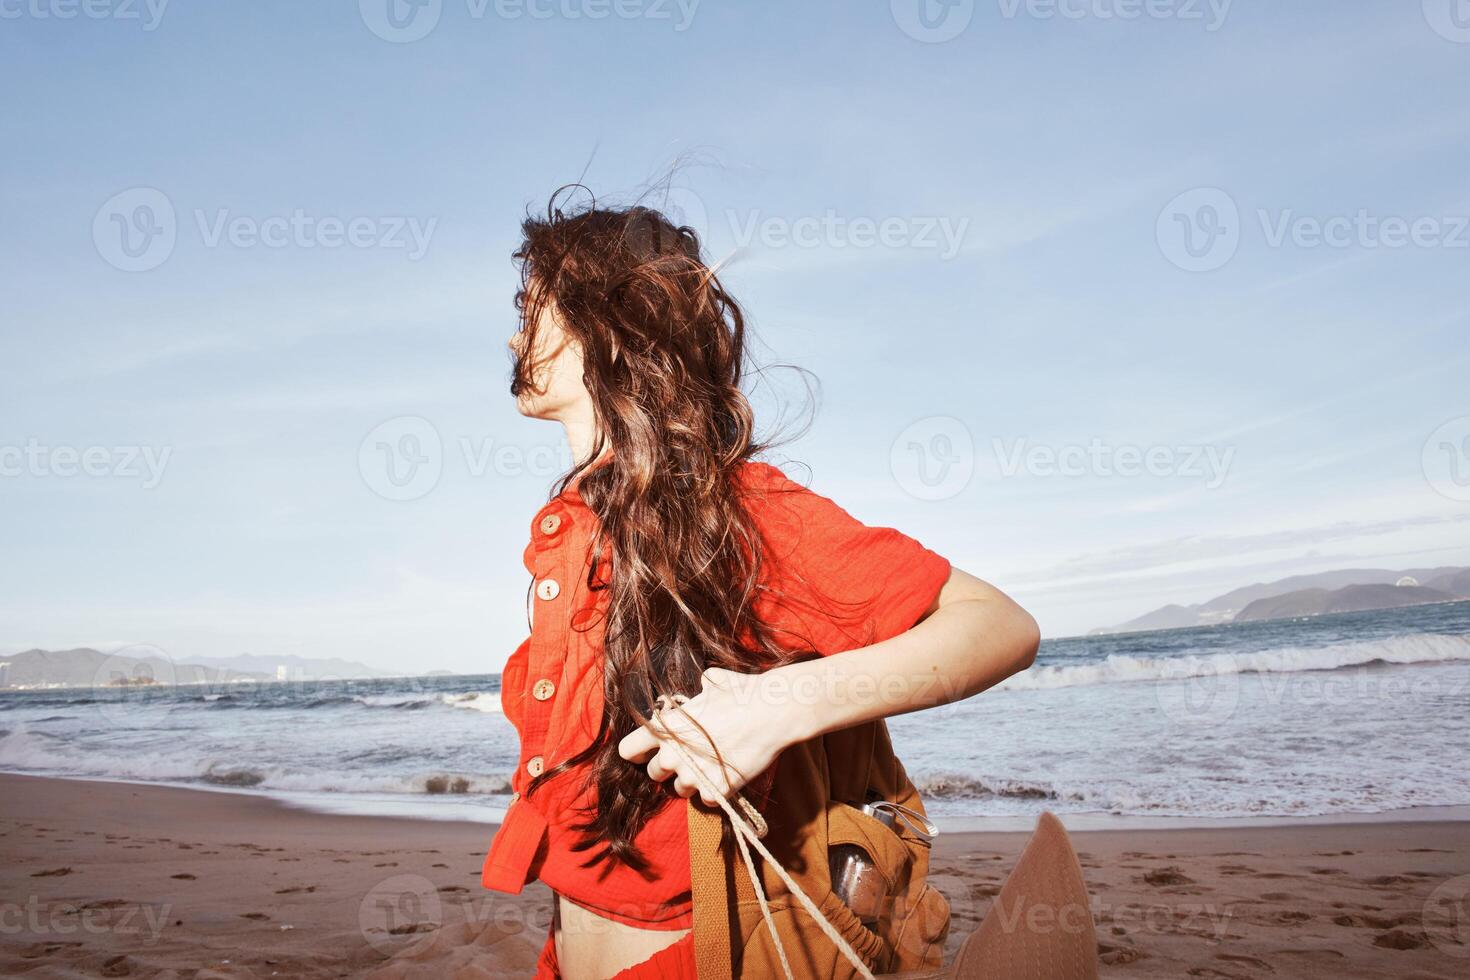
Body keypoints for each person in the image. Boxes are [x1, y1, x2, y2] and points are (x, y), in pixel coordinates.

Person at [480, 187, 1041, 979]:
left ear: (605, 322)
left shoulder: (740, 510)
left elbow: (999, 626)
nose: (513, 331)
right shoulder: (576, 526)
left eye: (533, 306)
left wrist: (779, 706)